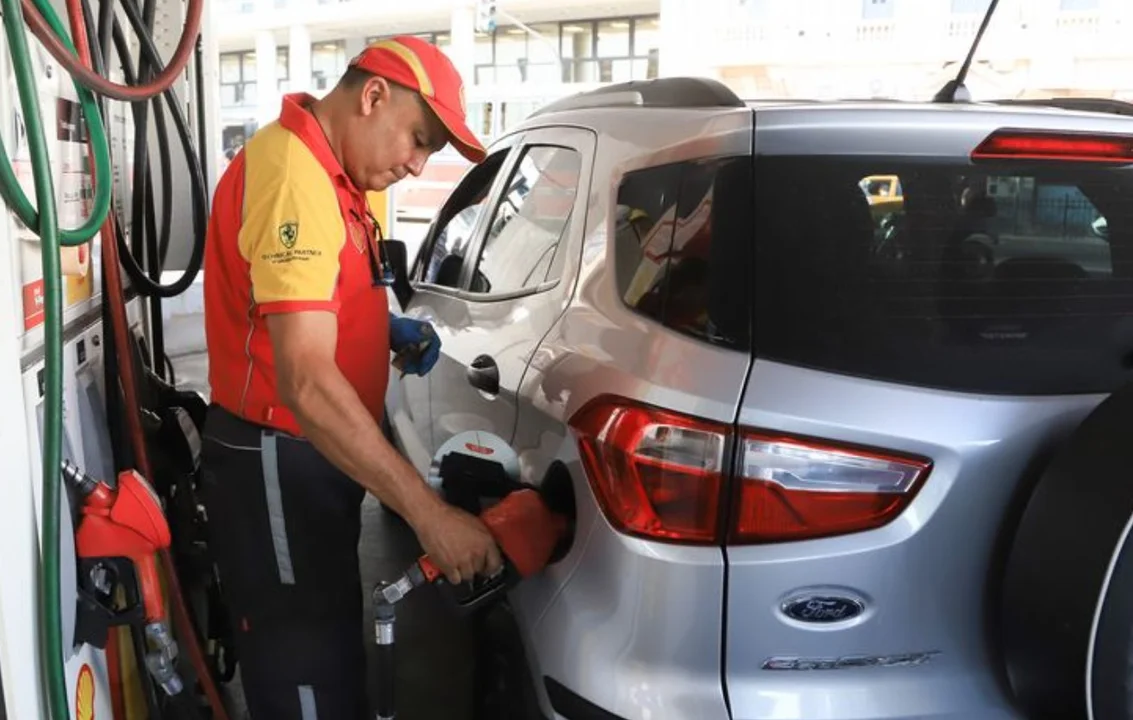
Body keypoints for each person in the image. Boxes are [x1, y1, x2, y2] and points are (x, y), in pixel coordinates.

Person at [198, 35, 503, 719]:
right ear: (373, 96)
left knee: (326, 639)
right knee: (305, 666)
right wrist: (429, 516)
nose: (417, 163)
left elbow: (309, 300)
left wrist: (380, 329)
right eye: (419, 139)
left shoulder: (333, 174)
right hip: (277, 453)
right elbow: (304, 380)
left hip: (314, 454)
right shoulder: (292, 173)